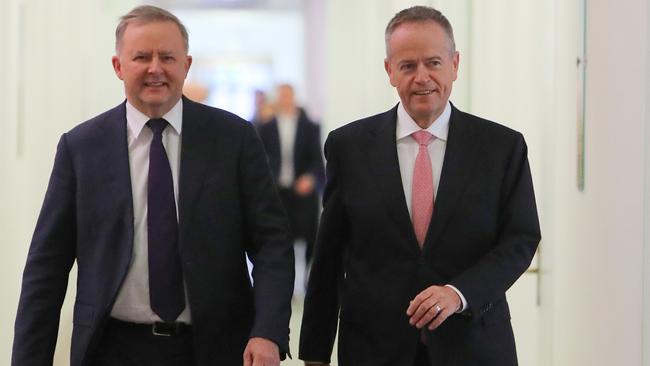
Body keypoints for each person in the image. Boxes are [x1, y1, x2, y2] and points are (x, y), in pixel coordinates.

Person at [12, 5, 294, 366]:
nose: (155, 68)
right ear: (118, 66)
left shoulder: (234, 139)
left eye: (168, 57)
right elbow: (46, 268)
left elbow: (272, 244)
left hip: (215, 347)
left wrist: (268, 331)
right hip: (112, 348)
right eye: (141, 56)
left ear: (186, 65)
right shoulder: (81, 148)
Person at [299, 6, 540, 366]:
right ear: (389, 71)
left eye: (434, 63)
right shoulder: (348, 147)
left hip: (473, 345)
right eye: (408, 66)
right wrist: (315, 353)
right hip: (374, 349)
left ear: (455, 64)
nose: (422, 77)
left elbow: (520, 240)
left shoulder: (501, 147)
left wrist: (459, 293)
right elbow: (329, 255)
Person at [257, 84, 325, 268]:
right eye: (282, 96)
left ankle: (307, 284)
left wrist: (310, 178)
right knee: (278, 237)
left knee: (309, 237)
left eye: (288, 95)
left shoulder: (309, 127)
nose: (285, 99)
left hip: (302, 193)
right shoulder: (266, 127)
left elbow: (317, 162)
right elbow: (260, 161)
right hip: (277, 193)